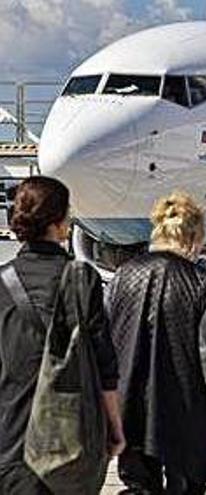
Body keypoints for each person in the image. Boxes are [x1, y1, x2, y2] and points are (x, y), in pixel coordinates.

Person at [0, 177, 125, 494]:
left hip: (12, 439)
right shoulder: (82, 279)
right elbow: (105, 365)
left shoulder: (2, 282)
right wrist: (114, 426)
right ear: (60, 223)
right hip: (73, 439)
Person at [108, 192, 206, 495]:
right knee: (186, 485)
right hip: (186, 411)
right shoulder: (201, 283)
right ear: (194, 237)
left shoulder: (122, 277)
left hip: (130, 407)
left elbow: (106, 342)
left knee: (139, 484)